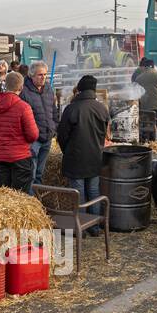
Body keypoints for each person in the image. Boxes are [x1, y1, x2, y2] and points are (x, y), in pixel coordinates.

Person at [56, 74, 111, 224]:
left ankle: (81, 226)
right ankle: (94, 226)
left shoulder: (71, 109)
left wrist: (66, 150)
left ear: (79, 90)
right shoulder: (102, 108)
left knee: (78, 193)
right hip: (95, 157)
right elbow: (105, 133)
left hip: (75, 158)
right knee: (94, 191)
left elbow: (61, 135)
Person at [0, 71, 39, 192]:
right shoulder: (24, 107)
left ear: (5, 85)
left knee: (5, 195)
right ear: (21, 87)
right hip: (20, 157)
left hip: (1, 156)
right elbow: (33, 135)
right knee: (20, 195)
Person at [20, 61, 56, 191]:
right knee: (32, 173)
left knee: (40, 173)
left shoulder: (48, 89)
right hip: (33, 139)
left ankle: (37, 200)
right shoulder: (24, 91)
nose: (43, 77)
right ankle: (31, 202)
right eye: (40, 75)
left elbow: (54, 110)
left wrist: (54, 127)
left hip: (47, 136)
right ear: (31, 75)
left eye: (45, 75)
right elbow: (21, 117)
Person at [132, 58, 157, 143]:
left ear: (145, 66)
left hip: (144, 106)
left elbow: (134, 86)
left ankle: (146, 139)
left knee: (146, 122)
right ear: (153, 66)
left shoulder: (138, 77)